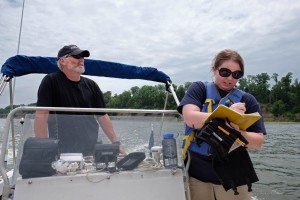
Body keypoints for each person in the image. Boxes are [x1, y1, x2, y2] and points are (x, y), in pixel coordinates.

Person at [177, 49, 266, 200]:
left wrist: (237, 132)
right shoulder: (199, 89)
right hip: (197, 178)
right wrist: (226, 115)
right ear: (214, 69)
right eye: (225, 72)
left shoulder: (248, 100)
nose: (230, 78)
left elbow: (258, 142)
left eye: (236, 74)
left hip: (234, 181)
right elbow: (190, 118)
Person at [34, 44, 125, 156]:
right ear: (63, 61)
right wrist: (44, 149)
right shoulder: (51, 81)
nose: (81, 60)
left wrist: (116, 143)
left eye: (82, 57)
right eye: (77, 57)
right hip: (61, 152)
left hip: (91, 150)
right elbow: (41, 116)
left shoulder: (92, 85)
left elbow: (102, 116)